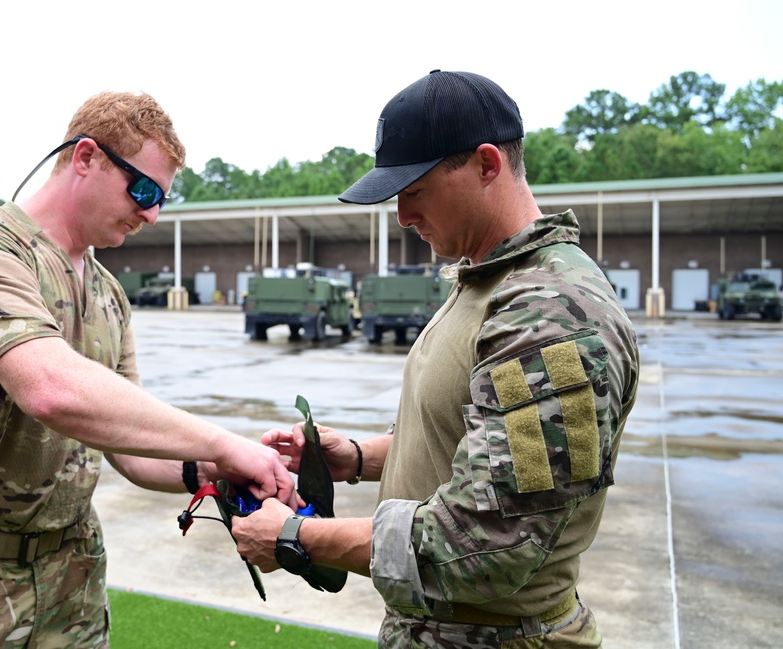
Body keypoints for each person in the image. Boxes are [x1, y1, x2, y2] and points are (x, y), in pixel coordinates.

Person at [0, 91, 296, 648]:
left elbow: (132, 448)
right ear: (87, 158)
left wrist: (221, 467)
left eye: (163, 198)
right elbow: (50, 390)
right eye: (143, 190)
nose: (152, 213)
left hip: (72, 579)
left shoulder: (108, 294)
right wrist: (221, 440)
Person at [232, 70, 640, 648]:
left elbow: (485, 543)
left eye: (414, 190)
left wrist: (297, 535)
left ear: (486, 165)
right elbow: (469, 440)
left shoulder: (550, 313)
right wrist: (352, 457)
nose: (401, 215)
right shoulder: (484, 283)